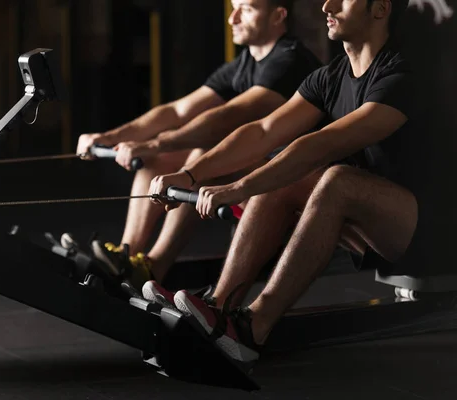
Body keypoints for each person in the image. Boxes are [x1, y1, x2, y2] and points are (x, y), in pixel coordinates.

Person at [148, 0, 421, 363]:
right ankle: (219, 307)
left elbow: (323, 143)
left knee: (334, 177)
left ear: (380, 9)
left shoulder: (402, 73)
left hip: (428, 233)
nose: (328, 4)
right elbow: (264, 130)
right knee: (288, 170)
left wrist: (239, 187)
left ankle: (255, 326)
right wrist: (192, 174)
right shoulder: (332, 76)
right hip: (376, 226)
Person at [75, 0, 322, 294]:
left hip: (291, 180)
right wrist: (111, 137)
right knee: (159, 158)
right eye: (233, 7)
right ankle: (127, 257)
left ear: (278, 15)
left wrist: (152, 142)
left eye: (247, 9)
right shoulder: (244, 64)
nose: (233, 18)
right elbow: (178, 111)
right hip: (259, 166)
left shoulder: (289, 61)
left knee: (199, 157)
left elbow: (230, 115)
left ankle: (153, 266)